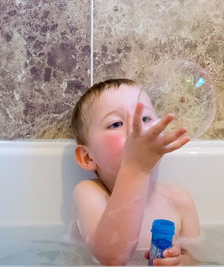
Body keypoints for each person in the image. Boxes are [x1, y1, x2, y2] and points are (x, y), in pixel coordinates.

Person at [71, 78, 200, 265]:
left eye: (145, 119)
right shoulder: (89, 194)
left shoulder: (180, 201)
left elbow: (197, 260)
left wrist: (181, 261)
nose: (135, 131)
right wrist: (135, 168)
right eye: (115, 124)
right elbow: (111, 258)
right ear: (88, 157)